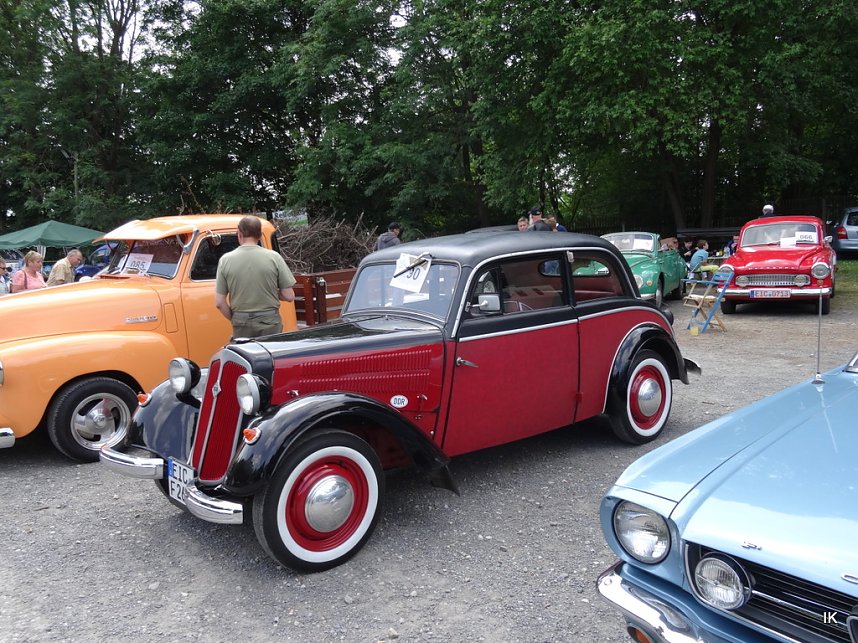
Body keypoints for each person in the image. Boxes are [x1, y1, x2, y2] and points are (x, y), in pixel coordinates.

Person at [214, 215, 296, 339]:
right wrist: (271, 291)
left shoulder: (225, 260)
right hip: (270, 321)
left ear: (239, 234)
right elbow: (289, 296)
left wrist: (236, 319)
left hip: (241, 322)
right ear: (259, 235)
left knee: (245, 357)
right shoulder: (274, 257)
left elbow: (219, 302)